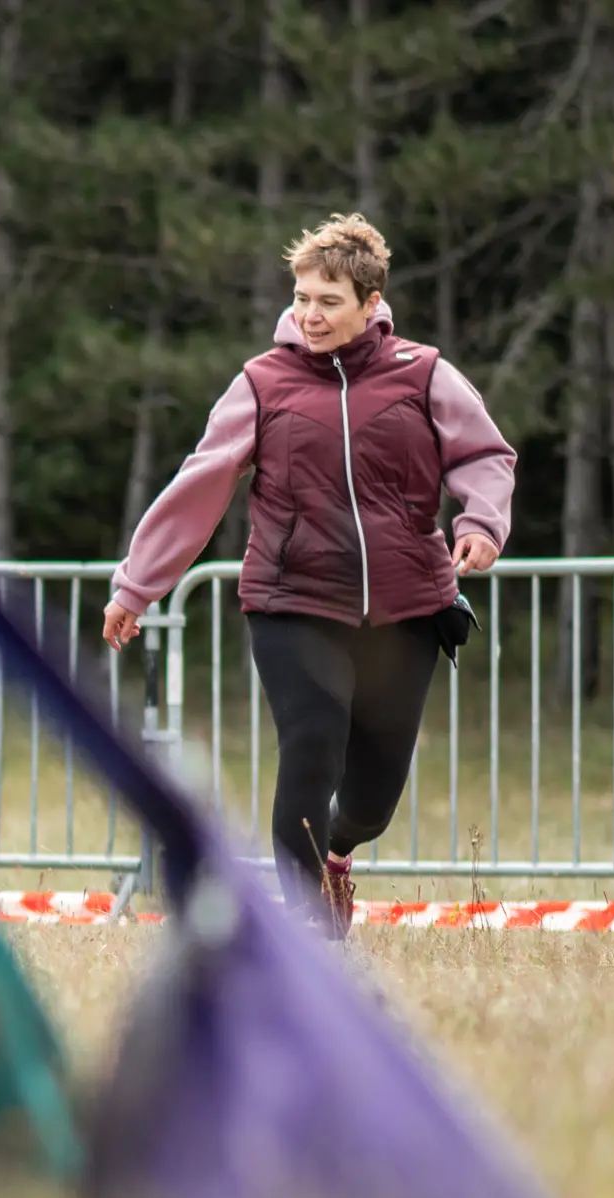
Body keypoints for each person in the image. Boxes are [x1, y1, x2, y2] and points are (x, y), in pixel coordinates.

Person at [102, 213, 516, 937]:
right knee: (312, 739)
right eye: (301, 297)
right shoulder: (263, 383)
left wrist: (481, 524)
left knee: (373, 796)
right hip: (293, 600)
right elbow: (200, 484)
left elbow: (485, 456)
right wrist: (138, 585)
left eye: (328, 300)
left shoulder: (424, 374)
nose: (309, 314)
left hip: (407, 609)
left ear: (370, 299)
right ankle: (304, 939)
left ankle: (336, 852)